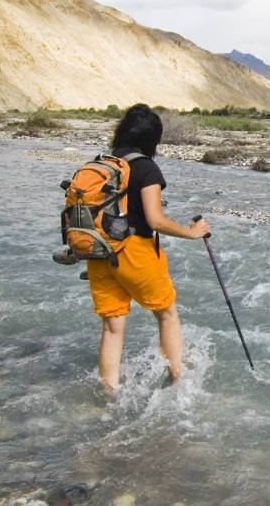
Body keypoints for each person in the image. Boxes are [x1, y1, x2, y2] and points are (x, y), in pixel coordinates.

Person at [86, 104, 210, 393]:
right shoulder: (146, 167)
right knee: (167, 314)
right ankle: (178, 378)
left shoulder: (103, 163)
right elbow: (155, 219)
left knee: (111, 328)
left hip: (99, 252)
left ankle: (108, 394)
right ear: (152, 138)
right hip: (134, 252)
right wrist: (192, 233)